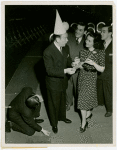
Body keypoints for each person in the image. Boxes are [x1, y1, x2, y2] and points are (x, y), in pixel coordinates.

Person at [43, 10, 76, 133]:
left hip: (63, 81)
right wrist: (66, 70)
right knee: (53, 104)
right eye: (65, 38)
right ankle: (54, 123)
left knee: (62, 100)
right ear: (57, 39)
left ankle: (62, 117)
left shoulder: (65, 47)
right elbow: (49, 70)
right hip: (53, 83)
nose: (67, 40)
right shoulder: (48, 52)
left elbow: (68, 60)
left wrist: (72, 63)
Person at [74, 32, 105, 133]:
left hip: (91, 78)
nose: (86, 42)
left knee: (86, 99)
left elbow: (101, 69)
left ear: (94, 43)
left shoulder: (100, 53)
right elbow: (80, 66)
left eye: (89, 41)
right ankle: (85, 119)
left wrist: (93, 63)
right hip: (82, 76)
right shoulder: (83, 52)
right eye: (86, 39)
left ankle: (85, 119)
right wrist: (77, 63)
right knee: (82, 100)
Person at [66, 22, 87, 111]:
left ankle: (79, 105)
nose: (77, 31)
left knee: (78, 88)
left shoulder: (87, 41)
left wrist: (80, 62)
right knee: (67, 86)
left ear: (85, 32)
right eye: (77, 29)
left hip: (79, 69)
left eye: (80, 30)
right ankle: (68, 102)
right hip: (68, 66)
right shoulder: (69, 37)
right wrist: (70, 62)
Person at [97, 24, 113, 117]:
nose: (101, 33)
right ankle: (101, 102)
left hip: (110, 73)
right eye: (101, 31)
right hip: (101, 71)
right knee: (101, 88)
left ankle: (110, 109)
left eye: (104, 32)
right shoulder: (100, 45)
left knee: (109, 91)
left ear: (110, 33)